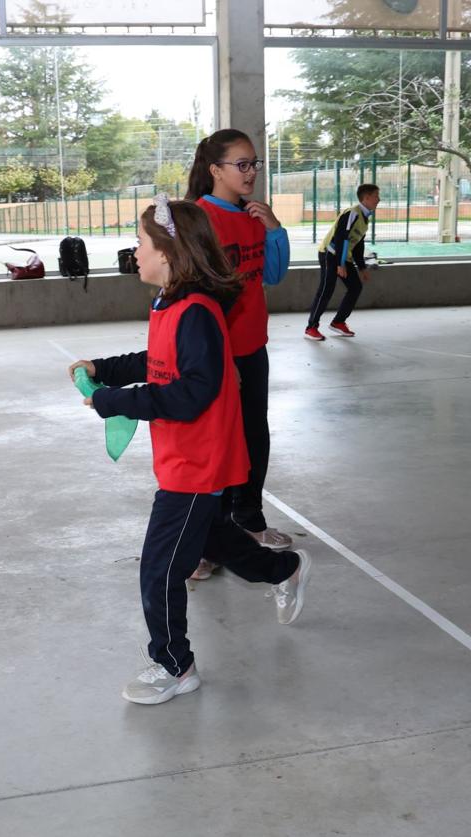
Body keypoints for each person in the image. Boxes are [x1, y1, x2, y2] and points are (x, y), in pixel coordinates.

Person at [67, 195, 312, 706]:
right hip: (187, 455)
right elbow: (158, 361)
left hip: (198, 462)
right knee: (213, 539)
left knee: (159, 566)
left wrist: (117, 401)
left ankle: (174, 665)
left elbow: (194, 390)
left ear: (170, 254)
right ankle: (283, 569)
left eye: (140, 243)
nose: (134, 251)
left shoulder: (196, 312)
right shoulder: (169, 304)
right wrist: (107, 370)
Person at [185, 129, 294, 576]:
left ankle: (248, 521)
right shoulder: (197, 219)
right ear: (215, 170)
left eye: (255, 164)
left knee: (254, 437)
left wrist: (274, 229)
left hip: (253, 345)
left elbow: (272, 275)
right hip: (215, 353)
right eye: (242, 165)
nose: (251, 173)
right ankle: (206, 543)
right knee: (216, 447)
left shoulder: (254, 215)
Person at [305, 183, 380, 340]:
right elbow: (341, 237)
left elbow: (358, 245)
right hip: (329, 254)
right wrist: (340, 264)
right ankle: (311, 327)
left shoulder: (365, 218)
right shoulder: (352, 213)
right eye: (375, 196)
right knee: (326, 290)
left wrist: (362, 268)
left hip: (343, 257)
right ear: (366, 198)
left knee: (355, 287)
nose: (378, 200)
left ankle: (338, 322)